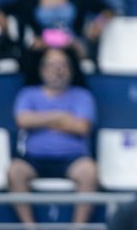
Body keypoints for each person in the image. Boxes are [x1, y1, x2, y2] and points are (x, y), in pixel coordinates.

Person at [7, 47, 98, 226]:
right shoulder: (28, 94)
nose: (58, 70)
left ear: (71, 69)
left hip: (73, 158)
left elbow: (82, 127)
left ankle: (77, 228)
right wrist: (60, 117)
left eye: (63, 65)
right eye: (52, 65)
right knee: (14, 171)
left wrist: (40, 120)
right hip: (34, 158)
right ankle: (30, 228)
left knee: (90, 171)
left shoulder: (83, 96)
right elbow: (22, 120)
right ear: (42, 70)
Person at [0, 0, 112, 83]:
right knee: (32, 59)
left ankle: (77, 93)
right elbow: (2, 9)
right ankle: (32, 93)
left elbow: (108, 10)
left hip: (71, 45)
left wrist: (99, 23)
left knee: (68, 60)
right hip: (43, 45)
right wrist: (3, 22)